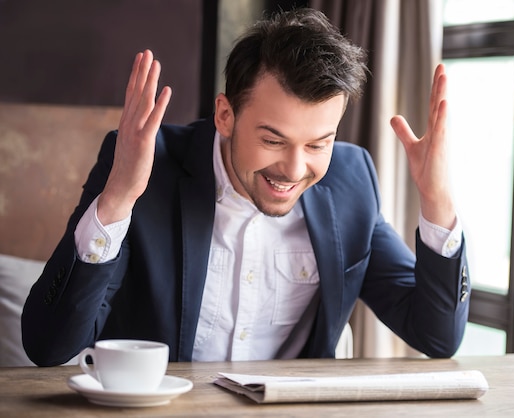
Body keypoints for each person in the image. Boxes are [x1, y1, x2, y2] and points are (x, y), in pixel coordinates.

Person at [22, 8, 469, 366]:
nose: (295, 169)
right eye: (272, 140)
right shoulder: (143, 166)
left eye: (318, 143)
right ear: (225, 115)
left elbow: (436, 336)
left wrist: (437, 200)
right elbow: (49, 347)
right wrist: (118, 198)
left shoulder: (351, 182)